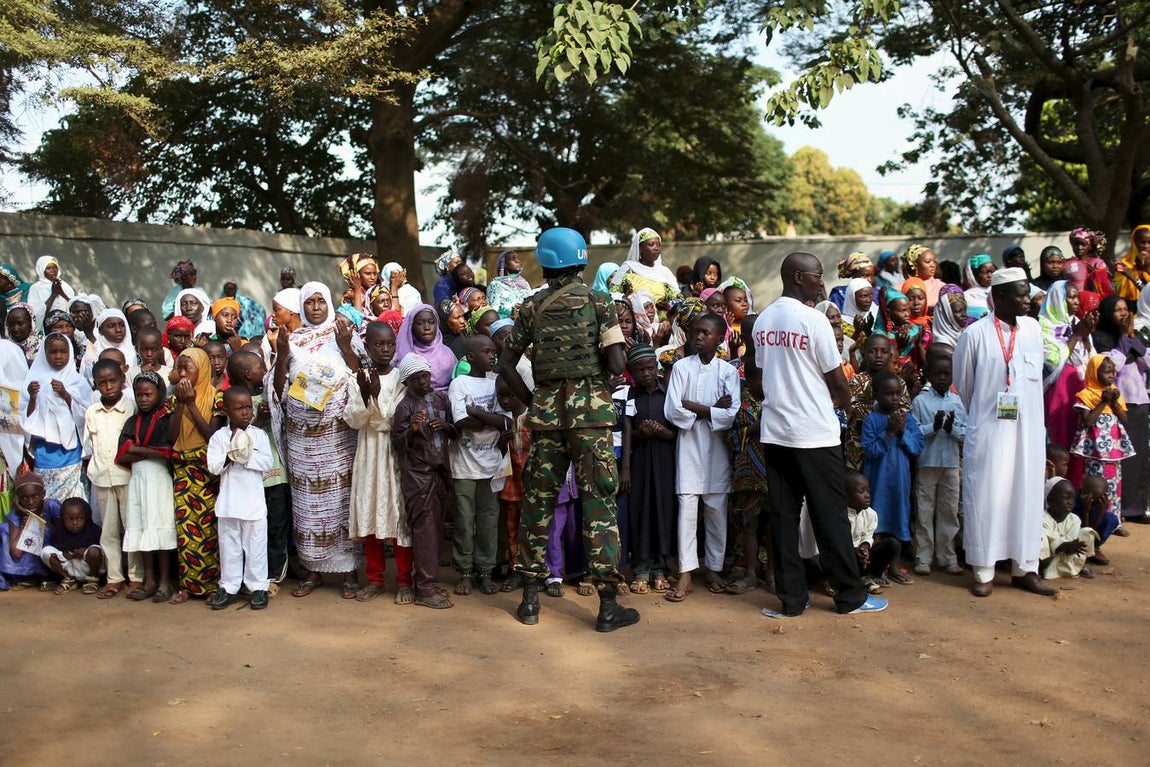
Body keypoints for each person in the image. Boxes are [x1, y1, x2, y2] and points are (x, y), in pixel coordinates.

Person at [497, 227, 638, 632]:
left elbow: (506, 364)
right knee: (599, 506)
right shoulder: (599, 302)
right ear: (580, 261)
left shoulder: (531, 307)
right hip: (591, 421)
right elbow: (614, 365)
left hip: (545, 421)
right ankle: (608, 607)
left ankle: (528, 601)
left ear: (544, 263)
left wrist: (532, 400)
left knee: (537, 505)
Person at [749, 252, 886, 617]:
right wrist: (841, 405)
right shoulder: (814, 320)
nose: (822, 282)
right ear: (797, 277)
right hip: (815, 434)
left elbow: (759, 380)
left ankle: (792, 600)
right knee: (830, 517)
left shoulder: (763, 320)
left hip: (777, 432)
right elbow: (837, 379)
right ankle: (849, 596)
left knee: (784, 516)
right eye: (817, 275)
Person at [952, 267, 1054, 597]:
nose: (1028, 298)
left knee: (1026, 493)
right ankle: (984, 570)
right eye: (1021, 294)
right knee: (988, 494)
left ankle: (1026, 567)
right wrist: (985, 410)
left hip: (1027, 431)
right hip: (991, 429)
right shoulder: (975, 334)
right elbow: (965, 384)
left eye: (1028, 292)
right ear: (999, 298)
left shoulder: (1033, 329)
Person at [274, 282, 363, 599]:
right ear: (301, 306)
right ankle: (313, 570)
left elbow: (359, 375)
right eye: (308, 302)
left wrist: (345, 344)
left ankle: (350, 571)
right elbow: (278, 387)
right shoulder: (293, 339)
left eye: (320, 301)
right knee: (308, 506)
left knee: (340, 502)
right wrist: (283, 352)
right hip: (302, 441)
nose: (315, 307)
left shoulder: (342, 334)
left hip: (337, 439)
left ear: (328, 303)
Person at [663, 313, 739, 601]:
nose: (698, 337)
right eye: (695, 332)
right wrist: (711, 409)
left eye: (705, 333)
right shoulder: (681, 368)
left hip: (717, 450)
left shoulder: (728, 372)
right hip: (689, 447)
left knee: (717, 508)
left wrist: (695, 406)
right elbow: (673, 410)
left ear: (720, 338)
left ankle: (714, 567)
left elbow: (731, 415)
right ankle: (685, 571)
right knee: (687, 508)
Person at [341, 322, 410, 604]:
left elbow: (394, 421)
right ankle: (375, 578)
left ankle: (405, 580)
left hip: (393, 456)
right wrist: (367, 392)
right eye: (378, 344)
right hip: (369, 455)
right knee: (370, 512)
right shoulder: (357, 378)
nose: (385, 349)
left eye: (390, 344)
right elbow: (353, 419)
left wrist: (374, 398)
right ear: (366, 347)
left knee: (398, 516)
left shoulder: (401, 380)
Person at [447, 335, 509, 596]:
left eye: (494, 352)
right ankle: (464, 572)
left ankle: (485, 571)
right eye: (486, 352)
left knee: (489, 521)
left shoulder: (496, 382)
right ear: (470, 357)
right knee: (464, 521)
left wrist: (476, 413)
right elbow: (460, 422)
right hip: (463, 465)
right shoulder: (459, 383)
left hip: (491, 466)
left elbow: (506, 423)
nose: (492, 356)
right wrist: (489, 419)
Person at [392, 353, 455, 608]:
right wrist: (412, 430)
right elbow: (396, 444)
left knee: (436, 530)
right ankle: (426, 590)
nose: (422, 382)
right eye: (415, 379)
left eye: (425, 376)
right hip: (418, 476)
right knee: (425, 530)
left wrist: (446, 427)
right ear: (407, 381)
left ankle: (429, 583)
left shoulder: (441, 398)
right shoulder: (405, 407)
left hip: (440, 471)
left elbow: (455, 430)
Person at [205, 386, 273, 610]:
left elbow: (267, 463)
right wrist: (231, 455)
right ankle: (230, 586)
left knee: (255, 547)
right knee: (229, 547)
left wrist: (246, 455)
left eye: (248, 408)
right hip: (228, 504)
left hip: (253, 504)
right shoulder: (219, 437)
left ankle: (258, 587)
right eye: (239, 408)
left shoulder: (259, 435)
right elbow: (214, 467)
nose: (245, 412)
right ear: (226, 410)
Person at [166, 348, 225, 602]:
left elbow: (212, 436)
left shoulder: (216, 398)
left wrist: (191, 403)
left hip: (206, 472)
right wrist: (180, 405)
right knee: (185, 532)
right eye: (179, 369)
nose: (182, 375)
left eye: (187, 369)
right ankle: (188, 585)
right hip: (183, 471)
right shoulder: (173, 400)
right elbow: (171, 437)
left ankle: (212, 586)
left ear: (201, 369)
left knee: (209, 529)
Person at [621, 343, 676, 594]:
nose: (646, 373)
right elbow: (627, 432)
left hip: (665, 463)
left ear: (657, 367)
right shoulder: (630, 397)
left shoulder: (669, 394)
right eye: (640, 370)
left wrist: (663, 433)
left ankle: (660, 567)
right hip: (641, 462)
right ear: (632, 372)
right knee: (640, 512)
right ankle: (641, 567)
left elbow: (678, 430)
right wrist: (627, 468)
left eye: (650, 368)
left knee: (663, 512)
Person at [117, 370, 176, 602]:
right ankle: (149, 581)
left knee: (159, 529)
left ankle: (164, 582)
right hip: (139, 480)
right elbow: (122, 451)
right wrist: (150, 452)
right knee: (142, 529)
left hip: (158, 480)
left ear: (158, 393)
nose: (143, 399)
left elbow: (168, 453)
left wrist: (138, 449)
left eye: (148, 394)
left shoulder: (165, 419)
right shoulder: (133, 421)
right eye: (139, 394)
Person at [1091, 295, 1150, 524]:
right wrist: (1124, 342)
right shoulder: (1101, 337)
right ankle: (1118, 508)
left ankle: (1136, 507)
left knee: (1139, 458)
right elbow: (1109, 368)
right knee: (1119, 458)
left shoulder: (1135, 336)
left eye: (1126, 309)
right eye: (1117, 310)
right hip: (1116, 403)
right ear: (1108, 313)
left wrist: (1134, 341)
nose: (1123, 314)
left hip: (1139, 401)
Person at [83, 358, 139, 598]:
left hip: (126, 476)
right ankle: (115, 577)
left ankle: (137, 577)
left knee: (132, 527)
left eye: (112, 380)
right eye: (102, 382)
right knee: (109, 531)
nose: (108, 386)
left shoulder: (131, 408)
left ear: (122, 379)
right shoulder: (92, 411)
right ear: (95, 384)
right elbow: (91, 445)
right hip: (102, 478)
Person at [861, 370, 924, 582]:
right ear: (877, 395)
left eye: (898, 393)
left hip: (900, 482)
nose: (895, 398)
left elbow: (917, 447)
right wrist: (888, 433)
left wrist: (901, 432)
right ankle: (875, 568)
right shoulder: (871, 420)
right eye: (889, 394)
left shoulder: (909, 420)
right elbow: (869, 451)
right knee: (876, 525)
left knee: (898, 521)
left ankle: (894, 567)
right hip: (877, 482)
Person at [909, 354, 966, 576]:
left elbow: (966, 432)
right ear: (928, 375)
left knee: (949, 511)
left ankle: (947, 556)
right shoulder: (920, 402)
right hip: (926, 463)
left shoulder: (956, 401)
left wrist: (951, 428)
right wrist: (932, 427)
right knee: (924, 510)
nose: (942, 378)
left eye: (947, 374)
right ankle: (923, 557)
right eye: (937, 374)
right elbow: (912, 431)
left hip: (951, 464)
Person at [20, 333, 90, 502]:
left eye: (63, 351)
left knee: (72, 501)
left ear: (70, 353)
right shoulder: (34, 381)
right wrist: (32, 397)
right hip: (45, 452)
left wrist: (65, 394)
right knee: (46, 502)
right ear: (45, 354)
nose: (58, 356)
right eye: (53, 352)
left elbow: (85, 414)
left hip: (71, 452)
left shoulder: (77, 381)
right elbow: (27, 420)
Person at [1071, 354, 1134, 517]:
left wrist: (1113, 403)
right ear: (1094, 372)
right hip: (1094, 452)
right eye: (1107, 372)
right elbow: (1088, 421)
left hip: (1113, 451)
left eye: (1113, 372)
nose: (1112, 375)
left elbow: (1124, 418)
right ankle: (1091, 519)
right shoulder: (1086, 395)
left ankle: (1113, 519)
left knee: (1114, 485)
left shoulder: (1114, 394)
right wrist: (1103, 402)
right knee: (1094, 485)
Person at [1038, 280, 1095, 457]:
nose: (1076, 301)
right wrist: (1076, 335)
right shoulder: (1043, 326)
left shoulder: (1077, 322)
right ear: (1058, 299)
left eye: (1077, 297)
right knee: (1060, 436)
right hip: (1056, 390)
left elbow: (1085, 358)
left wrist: (1085, 337)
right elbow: (1053, 361)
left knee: (1078, 438)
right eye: (1071, 297)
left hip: (1078, 388)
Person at [844, 471, 901, 594]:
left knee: (892, 544)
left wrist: (865, 547)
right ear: (846, 495)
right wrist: (856, 551)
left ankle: (868, 576)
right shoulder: (840, 515)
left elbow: (868, 536)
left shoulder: (871, 514)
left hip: (862, 556)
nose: (867, 495)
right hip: (846, 555)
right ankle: (836, 580)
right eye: (861, 491)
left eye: (868, 491)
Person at [0, 473, 61, 590]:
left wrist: (37, 521)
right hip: (23, 561)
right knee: (3, 529)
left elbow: (64, 534)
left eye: (36, 496)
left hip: (52, 557)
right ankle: (26, 576)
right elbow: (16, 552)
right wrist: (24, 526)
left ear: (43, 494)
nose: (31, 502)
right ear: (17, 498)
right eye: (24, 498)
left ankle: (44, 575)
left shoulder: (52, 506)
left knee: (41, 529)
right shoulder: (15, 514)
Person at [40, 497, 105, 594]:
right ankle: (69, 579)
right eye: (70, 519)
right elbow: (57, 548)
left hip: (87, 567)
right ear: (63, 519)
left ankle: (93, 579)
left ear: (86, 517)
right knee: (45, 551)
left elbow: (102, 553)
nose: (75, 523)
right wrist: (65, 553)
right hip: (70, 568)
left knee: (94, 551)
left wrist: (84, 553)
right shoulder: (60, 531)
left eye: (80, 518)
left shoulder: (94, 530)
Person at [1040, 477, 1098, 580]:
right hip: (1047, 558)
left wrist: (1072, 546)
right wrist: (1066, 545)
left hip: (1066, 557)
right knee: (1040, 535)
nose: (1070, 502)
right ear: (1050, 500)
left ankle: (1073, 567)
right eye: (1066, 498)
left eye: (1072, 498)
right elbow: (1051, 543)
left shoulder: (1074, 519)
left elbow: (1073, 541)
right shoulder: (1042, 518)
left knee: (1087, 532)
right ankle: (1040, 569)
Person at [609, 227, 680, 308]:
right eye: (651, 244)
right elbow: (614, 296)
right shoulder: (627, 269)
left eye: (658, 244)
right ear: (640, 248)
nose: (656, 248)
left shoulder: (665, 272)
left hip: (662, 320)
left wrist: (667, 305)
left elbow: (677, 299)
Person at [395, 303, 458, 393]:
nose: (427, 328)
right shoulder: (405, 355)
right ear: (411, 327)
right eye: (420, 323)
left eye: (432, 322)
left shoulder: (447, 353)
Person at [27, 256, 75, 327]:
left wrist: (62, 293)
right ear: (42, 270)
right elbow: (35, 314)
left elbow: (74, 307)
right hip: (45, 327)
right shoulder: (35, 288)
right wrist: (54, 294)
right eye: (48, 268)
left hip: (66, 326)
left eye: (55, 267)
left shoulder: (65, 286)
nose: (53, 270)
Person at [486, 250, 532, 319]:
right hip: (505, 325)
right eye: (513, 259)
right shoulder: (495, 284)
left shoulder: (524, 283)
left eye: (518, 258)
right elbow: (493, 310)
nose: (518, 261)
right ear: (504, 264)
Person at [900, 244, 945, 308]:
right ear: (915, 265)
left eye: (934, 261)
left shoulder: (942, 287)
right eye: (928, 261)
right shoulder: (901, 288)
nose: (933, 265)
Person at [963, 253, 997, 321]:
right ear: (974, 275)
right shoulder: (966, 297)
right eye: (985, 272)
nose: (990, 275)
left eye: (992, 271)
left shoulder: (999, 292)